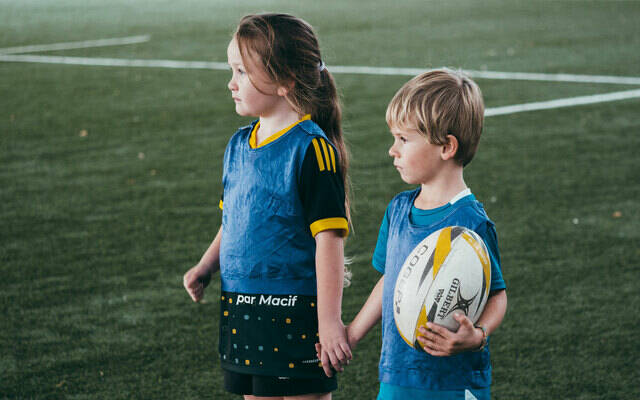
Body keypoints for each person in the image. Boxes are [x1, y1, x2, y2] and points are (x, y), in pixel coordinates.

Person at [183, 13, 352, 400]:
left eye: (242, 71)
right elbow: (236, 221)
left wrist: (328, 322)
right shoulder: (238, 146)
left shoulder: (312, 150)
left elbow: (329, 239)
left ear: (285, 80)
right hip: (242, 309)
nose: (231, 82)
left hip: (293, 311)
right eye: (232, 70)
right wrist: (207, 265)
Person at [344, 69, 507, 400]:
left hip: (452, 380)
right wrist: (352, 334)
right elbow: (391, 280)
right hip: (398, 372)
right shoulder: (399, 209)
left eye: (403, 139)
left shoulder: (470, 224)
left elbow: (497, 296)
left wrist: (477, 336)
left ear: (446, 146)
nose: (393, 150)